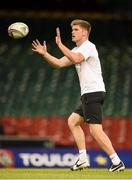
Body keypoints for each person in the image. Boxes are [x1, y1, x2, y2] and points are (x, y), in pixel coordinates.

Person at [32, 19, 125, 172]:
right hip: (89, 94)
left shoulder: (88, 46)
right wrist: (45, 53)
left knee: (95, 130)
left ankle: (116, 161)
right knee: (73, 121)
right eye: (72, 29)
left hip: (93, 92)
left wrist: (60, 45)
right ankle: (82, 158)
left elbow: (76, 59)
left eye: (76, 29)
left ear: (84, 32)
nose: (72, 32)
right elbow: (59, 64)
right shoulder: (76, 49)